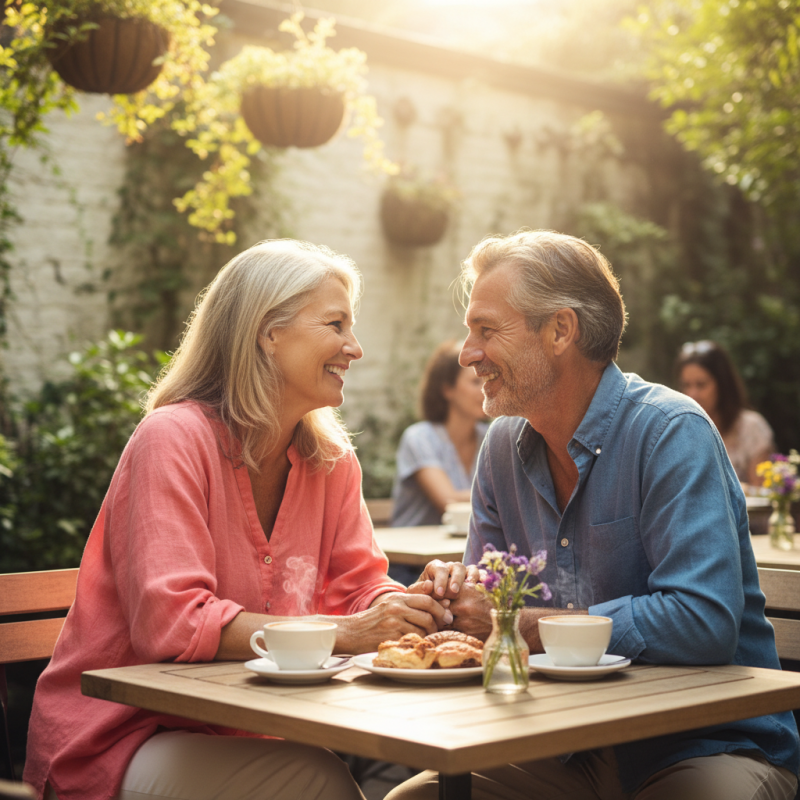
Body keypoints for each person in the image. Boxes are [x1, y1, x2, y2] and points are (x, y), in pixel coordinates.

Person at [24, 240, 453, 800]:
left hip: (251, 727)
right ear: (267, 332)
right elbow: (173, 623)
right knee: (315, 780)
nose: (356, 347)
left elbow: (358, 586)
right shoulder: (172, 439)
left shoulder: (331, 460)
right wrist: (349, 633)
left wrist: (406, 606)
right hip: (120, 734)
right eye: (336, 324)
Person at [394, 230, 800, 800]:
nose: (467, 353)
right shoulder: (502, 448)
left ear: (560, 330)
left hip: (702, 743)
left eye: (486, 330)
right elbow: (489, 612)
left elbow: (702, 621)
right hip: (561, 744)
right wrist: (455, 598)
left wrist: (534, 626)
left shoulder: (669, 432)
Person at [390, 339, 489, 528]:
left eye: (487, 379)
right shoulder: (419, 438)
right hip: (411, 553)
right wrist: (501, 497)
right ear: (447, 390)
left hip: (460, 551)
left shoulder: (490, 438)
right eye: (475, 382)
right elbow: (448, 502)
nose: (485, 390)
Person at [677, 339, 775, 486]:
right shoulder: (678, 430)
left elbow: (762, 492)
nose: (692, 394)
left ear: (722, 384)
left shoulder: (751, 428)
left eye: (701, 385)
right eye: (687, 385)